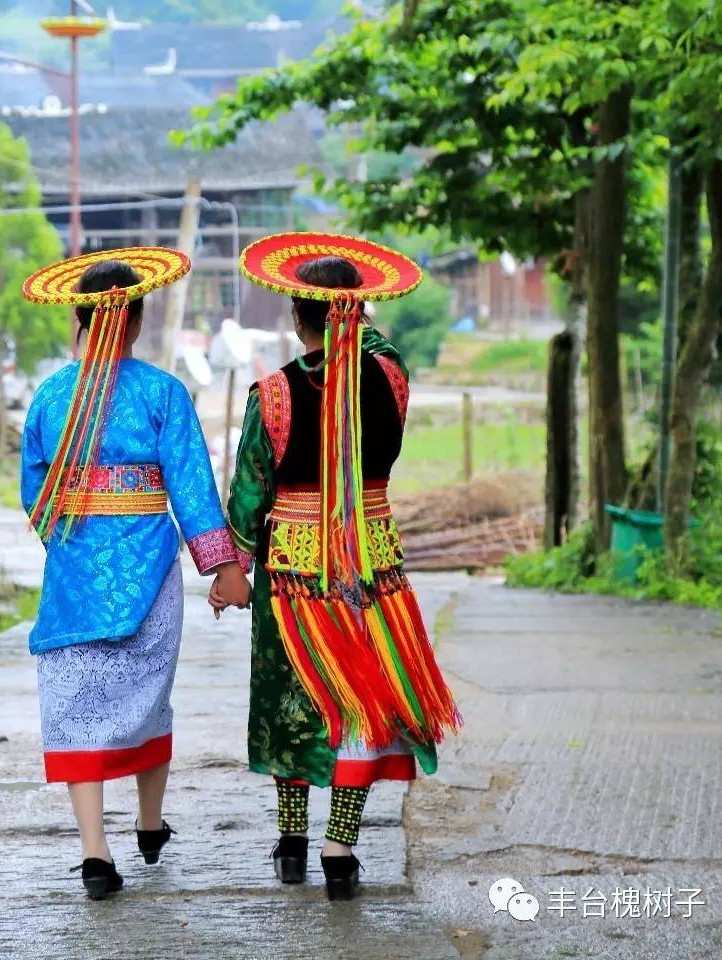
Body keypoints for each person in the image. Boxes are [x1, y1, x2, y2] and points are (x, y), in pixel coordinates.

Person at [211, 235, 460, 899]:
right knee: (361, 705)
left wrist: (232, 566)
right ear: (358, 312)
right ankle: (339, 847)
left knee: (293, 702)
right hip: (373, 569)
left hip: (293, 574)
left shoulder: (275, 395)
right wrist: (356, 318)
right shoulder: (392, 379)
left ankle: (291, 841)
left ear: (297, 317)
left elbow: (247, 495)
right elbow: (374, 352)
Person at [20, 247, 251, 900]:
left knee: (74, 705)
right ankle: (150, 823)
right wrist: (223, 568)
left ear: (81, 320)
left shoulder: (50, 395)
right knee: (147, 699)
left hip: (74, 578)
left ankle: (96, 850)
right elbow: (193, 488)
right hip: (150, 572)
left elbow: (34, 489)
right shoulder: (162, 392)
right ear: (137, 319)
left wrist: (70, 544)